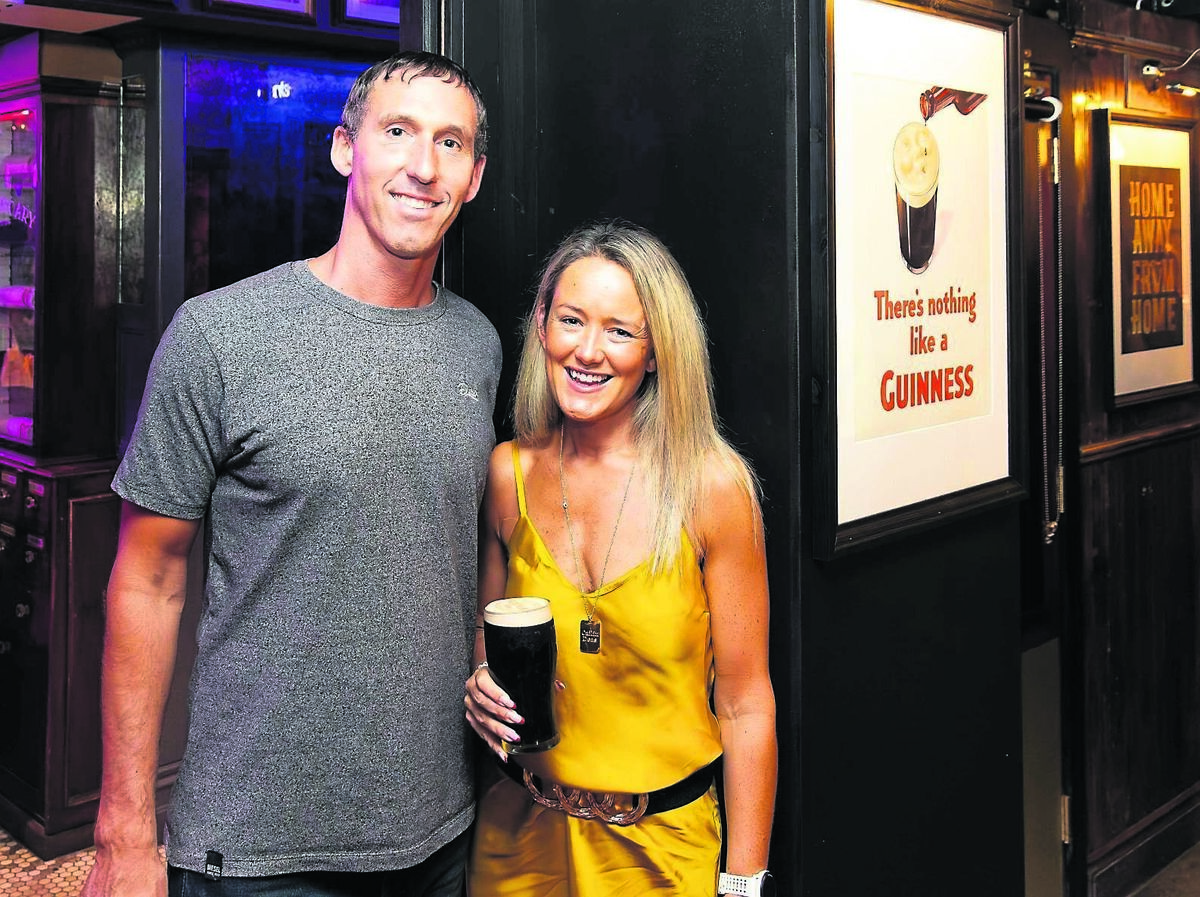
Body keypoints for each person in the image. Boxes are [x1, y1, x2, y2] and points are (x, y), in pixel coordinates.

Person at [81, 50, 500, 897]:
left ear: (475, 177)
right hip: (256, 849)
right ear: (345, 148)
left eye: (450, 143)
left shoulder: (478, 344)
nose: (424, 166)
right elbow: (147, 581)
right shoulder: (219, 336)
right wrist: (123, 830)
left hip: (437, 836)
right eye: (397, 132)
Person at [464, 221, 777, 897]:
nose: (587, 351)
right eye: (571, 320)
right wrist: (481, 682)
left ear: (656, 351)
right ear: (541, 325)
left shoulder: (711, 487)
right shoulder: (508, 474)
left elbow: (746, 704)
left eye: (619, 331)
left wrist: (743, 883)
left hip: (661, 853)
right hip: (517, 842)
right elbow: (485, 637)